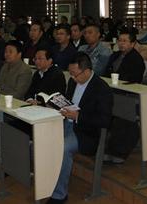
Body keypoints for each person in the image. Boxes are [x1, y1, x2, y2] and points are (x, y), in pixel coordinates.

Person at [48, 53, 113, 203]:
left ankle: (59, 195)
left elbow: (105, 120)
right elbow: (68, 101)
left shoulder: (101, 88)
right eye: (70, 74)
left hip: (86, 133)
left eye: (75, 74)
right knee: (42, 137)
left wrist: (78, 116)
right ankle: (47, 182)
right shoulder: (73, 82)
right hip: (67, 122)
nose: (72, 78)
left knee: (63, 148)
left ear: (87, 71)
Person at [104, 31, 145, 163]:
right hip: (113, 91)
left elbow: (134, 79)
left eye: (125, 41)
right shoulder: (115, 55)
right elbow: (105, 73)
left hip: (129, 94)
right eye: (120, 40)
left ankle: (118, 151)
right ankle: (103, 146)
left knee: (121, 114)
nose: (121, 43)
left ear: (132, 44)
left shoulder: (136, 59)